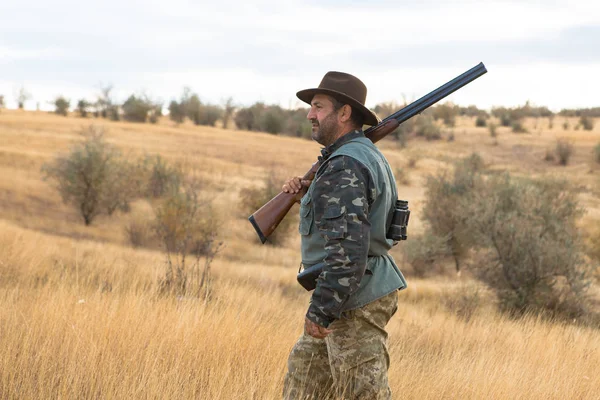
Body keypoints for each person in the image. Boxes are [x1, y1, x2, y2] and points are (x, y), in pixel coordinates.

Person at [282, 71, 408, 399]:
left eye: (319, 107)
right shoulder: (353, 158)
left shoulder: (345, 166)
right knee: (304, 384)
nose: (310, 114)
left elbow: (347, 250)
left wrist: (322, 309)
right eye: (311, 107)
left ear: (344, 113)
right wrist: (309, 193)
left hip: (352, 299)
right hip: (347, 294)